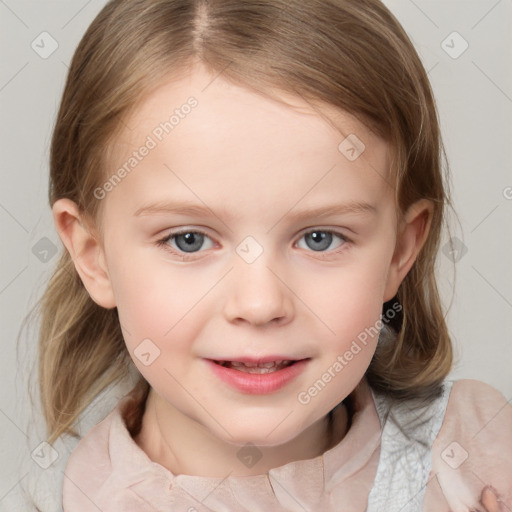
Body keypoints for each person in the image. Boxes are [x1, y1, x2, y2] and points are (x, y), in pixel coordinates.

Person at [35, 0, 511, 510]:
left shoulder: (477, 458)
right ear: (94, 257)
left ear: (400, 251)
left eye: (320, 238)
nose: (260, 304)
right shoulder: (74, 495)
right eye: (188, 240)